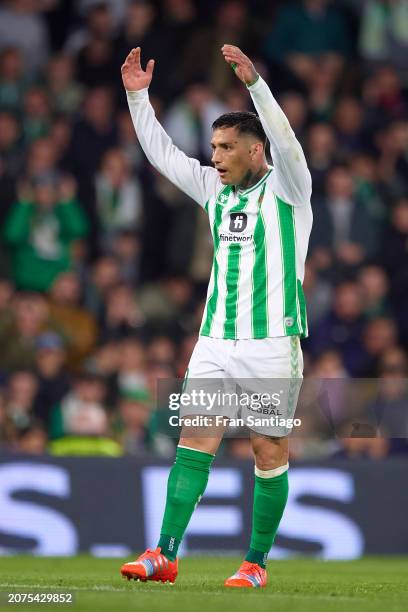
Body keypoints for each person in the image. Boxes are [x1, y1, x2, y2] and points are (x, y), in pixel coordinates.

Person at [119, 45, 312, 588]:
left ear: (255, 150)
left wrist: (256, 85)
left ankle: (255, 563)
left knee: (268, 450)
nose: (216, 156)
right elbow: (163, 154)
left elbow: (290, 144)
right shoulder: (213, 191)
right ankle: (164, 553)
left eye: (227, 147)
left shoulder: (290, 191)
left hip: (272, 343)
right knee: (193, 440)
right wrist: (138, 97)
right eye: (214, 147)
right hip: (214, 341)